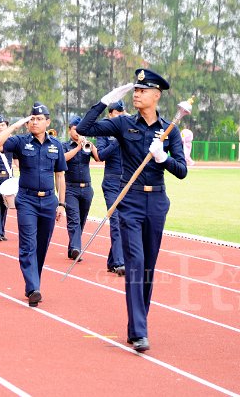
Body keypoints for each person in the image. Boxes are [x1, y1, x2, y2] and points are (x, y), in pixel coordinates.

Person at [76, 69, 187, 353]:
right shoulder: (123, 124)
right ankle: (140, 331)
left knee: (148, 268)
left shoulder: (168, 129)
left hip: (157, 203)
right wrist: (105, 100)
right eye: (135, 90)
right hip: (131, 201)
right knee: (135, 264)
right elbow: (85, 128)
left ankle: (137, 325)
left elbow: (182, 171)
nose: (137, 94)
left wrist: (163, 157)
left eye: (143, 90)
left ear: (157, 95)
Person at [0, 103, 66, 308]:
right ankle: (33, 287)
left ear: (47, 122)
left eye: (39, 119)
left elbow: (60, 175)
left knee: (41, 246)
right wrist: (14, 126)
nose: (34, 122)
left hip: (49, 201)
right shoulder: (21, 142)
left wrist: (61, 204)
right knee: (28, 245)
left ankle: (33, 283)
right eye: (31, 118)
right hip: (27, 200)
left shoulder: (56, 145)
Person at [62, 116, 100, 261]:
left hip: (87, 188)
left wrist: (91, 145)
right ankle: (77, 248)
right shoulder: (65, 145)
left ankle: (73, 248)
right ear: (69, 130)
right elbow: (63, 159)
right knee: (74, 219)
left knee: (81, 220)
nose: (77, 133)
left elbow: (98, 158)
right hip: (70, 188)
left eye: (80, 130)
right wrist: (78, 147)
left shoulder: (87, 145)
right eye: (75, 130)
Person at [96, 101, 125, 275]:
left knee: (125, 222)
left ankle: (112, 260)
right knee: (116, 221)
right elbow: (100, 155)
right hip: (111, 183)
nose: (121, 115)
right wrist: (116, 141)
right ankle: (120, 263)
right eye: (117, 112)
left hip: (128, 183)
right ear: (110, 114)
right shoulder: (104, 131)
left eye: (123, 112)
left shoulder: (129, 129)